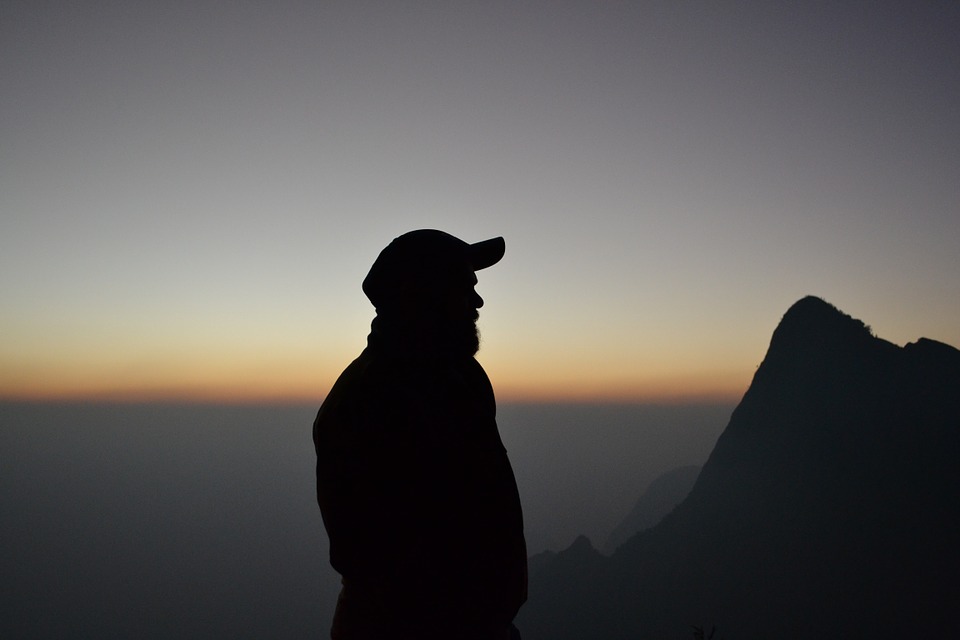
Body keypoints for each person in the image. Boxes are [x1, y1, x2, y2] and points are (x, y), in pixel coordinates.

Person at [313, 230, 527, 640]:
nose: (478, 302)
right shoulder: (364, 403)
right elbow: (373, 559)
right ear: (421, 297)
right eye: (465, 287)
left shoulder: (462, 377)